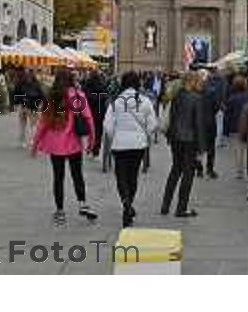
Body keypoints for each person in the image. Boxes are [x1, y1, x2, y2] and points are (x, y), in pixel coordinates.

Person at [31, 69, 98, 226]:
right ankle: (83, 204)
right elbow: (88, 118)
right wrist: (92, 140)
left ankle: (60, 211)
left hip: (55, 144)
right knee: (77, 174)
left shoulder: (51, 97)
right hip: (74, 143)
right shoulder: (77, 95)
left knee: (58, 177)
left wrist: (35, 144)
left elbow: (43, 123)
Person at [104, 71, 157, 227]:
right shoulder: (145, 101)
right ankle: (129, 203)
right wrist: (144, 134)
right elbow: (152, 124)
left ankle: (126, 203)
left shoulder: (115, 102)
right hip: (138, 145)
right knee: (133, 176)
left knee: (121, 176)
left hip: (119, 145)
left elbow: (107, 126)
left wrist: (115, 136)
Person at [161, 71, 205, 217]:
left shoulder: (176, 96)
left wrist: (170, 137)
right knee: (188, 174)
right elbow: (198, 124)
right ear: (192, 82)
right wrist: (201, 147)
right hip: (189, 140)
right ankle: (181, 208)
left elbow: (172, 118)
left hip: (175, 139)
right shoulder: (196, 98)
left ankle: (165, 205)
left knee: (175, 170)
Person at [196, 69, 220, 179]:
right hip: (210, 123)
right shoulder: (212, 91)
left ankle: (199, 169)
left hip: (197, 123)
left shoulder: (194, 91)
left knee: (198, 147)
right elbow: (216, 107)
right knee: (211, 148)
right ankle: (210, 170)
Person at [223, 74, 248, 178]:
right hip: (247, 126)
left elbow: (227, 116)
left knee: (238, 149)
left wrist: (225, 131)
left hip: (235, 127)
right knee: (247, 148)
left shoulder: (231, 99)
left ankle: (240, 171)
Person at [83, 70, 107, 158]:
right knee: (98, 131)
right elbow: (105, 96)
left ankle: (90, 146)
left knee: (90, 130)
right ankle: (96, 148)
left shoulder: (86, 85)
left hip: (89, 111)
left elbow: (84, 96)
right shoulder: (102, 85)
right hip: (100, 111)